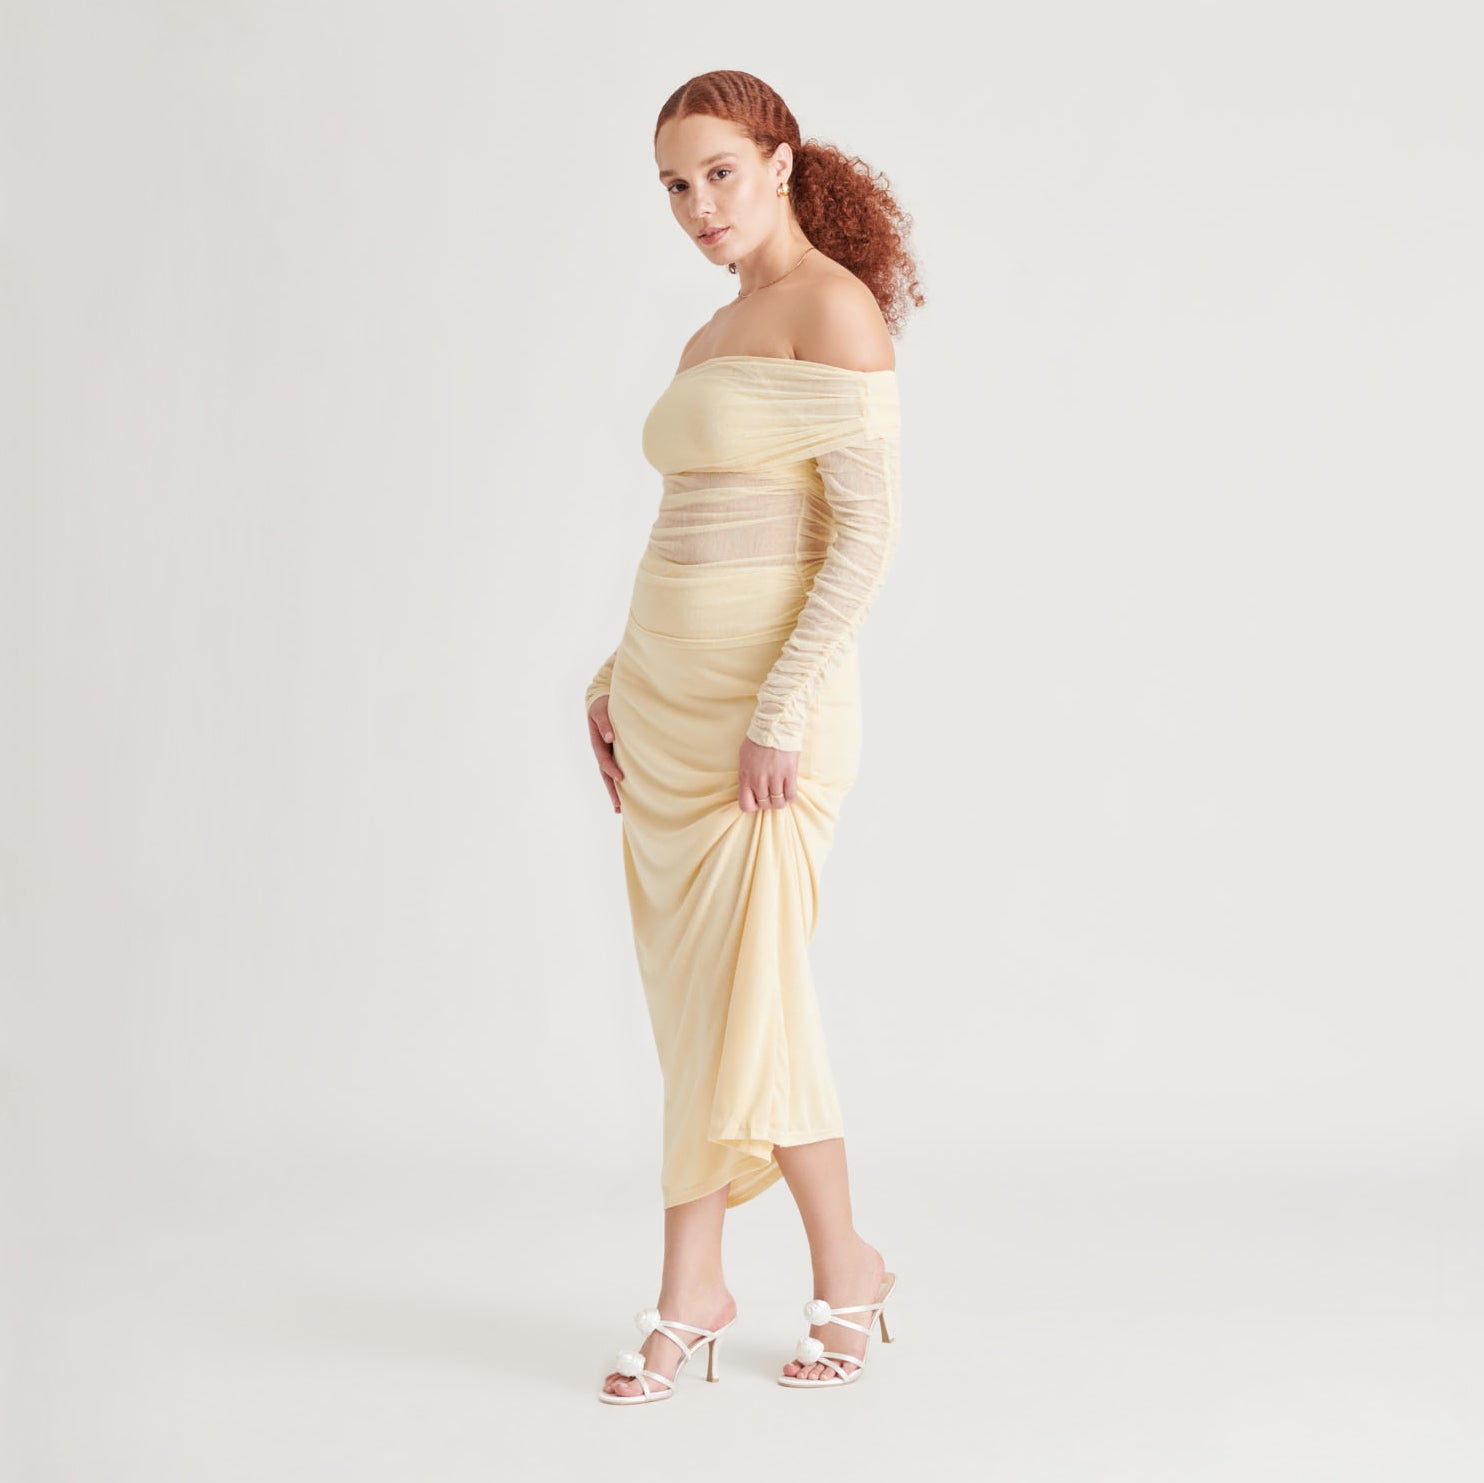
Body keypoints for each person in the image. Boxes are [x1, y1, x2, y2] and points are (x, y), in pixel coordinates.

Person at [584, 70, 924, 1404]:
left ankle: (820, 1271)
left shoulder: (833, 310)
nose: (697, 205)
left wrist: (780, 708)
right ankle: (725, 1283)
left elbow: (866, 540)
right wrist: (612, 678)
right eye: (675, 184)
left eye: (719, 172)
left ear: (781, 161)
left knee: (754, 994)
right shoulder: (713, 334)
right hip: (668, 708)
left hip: (769, 717)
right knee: (698, 1008)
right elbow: (685, 526)